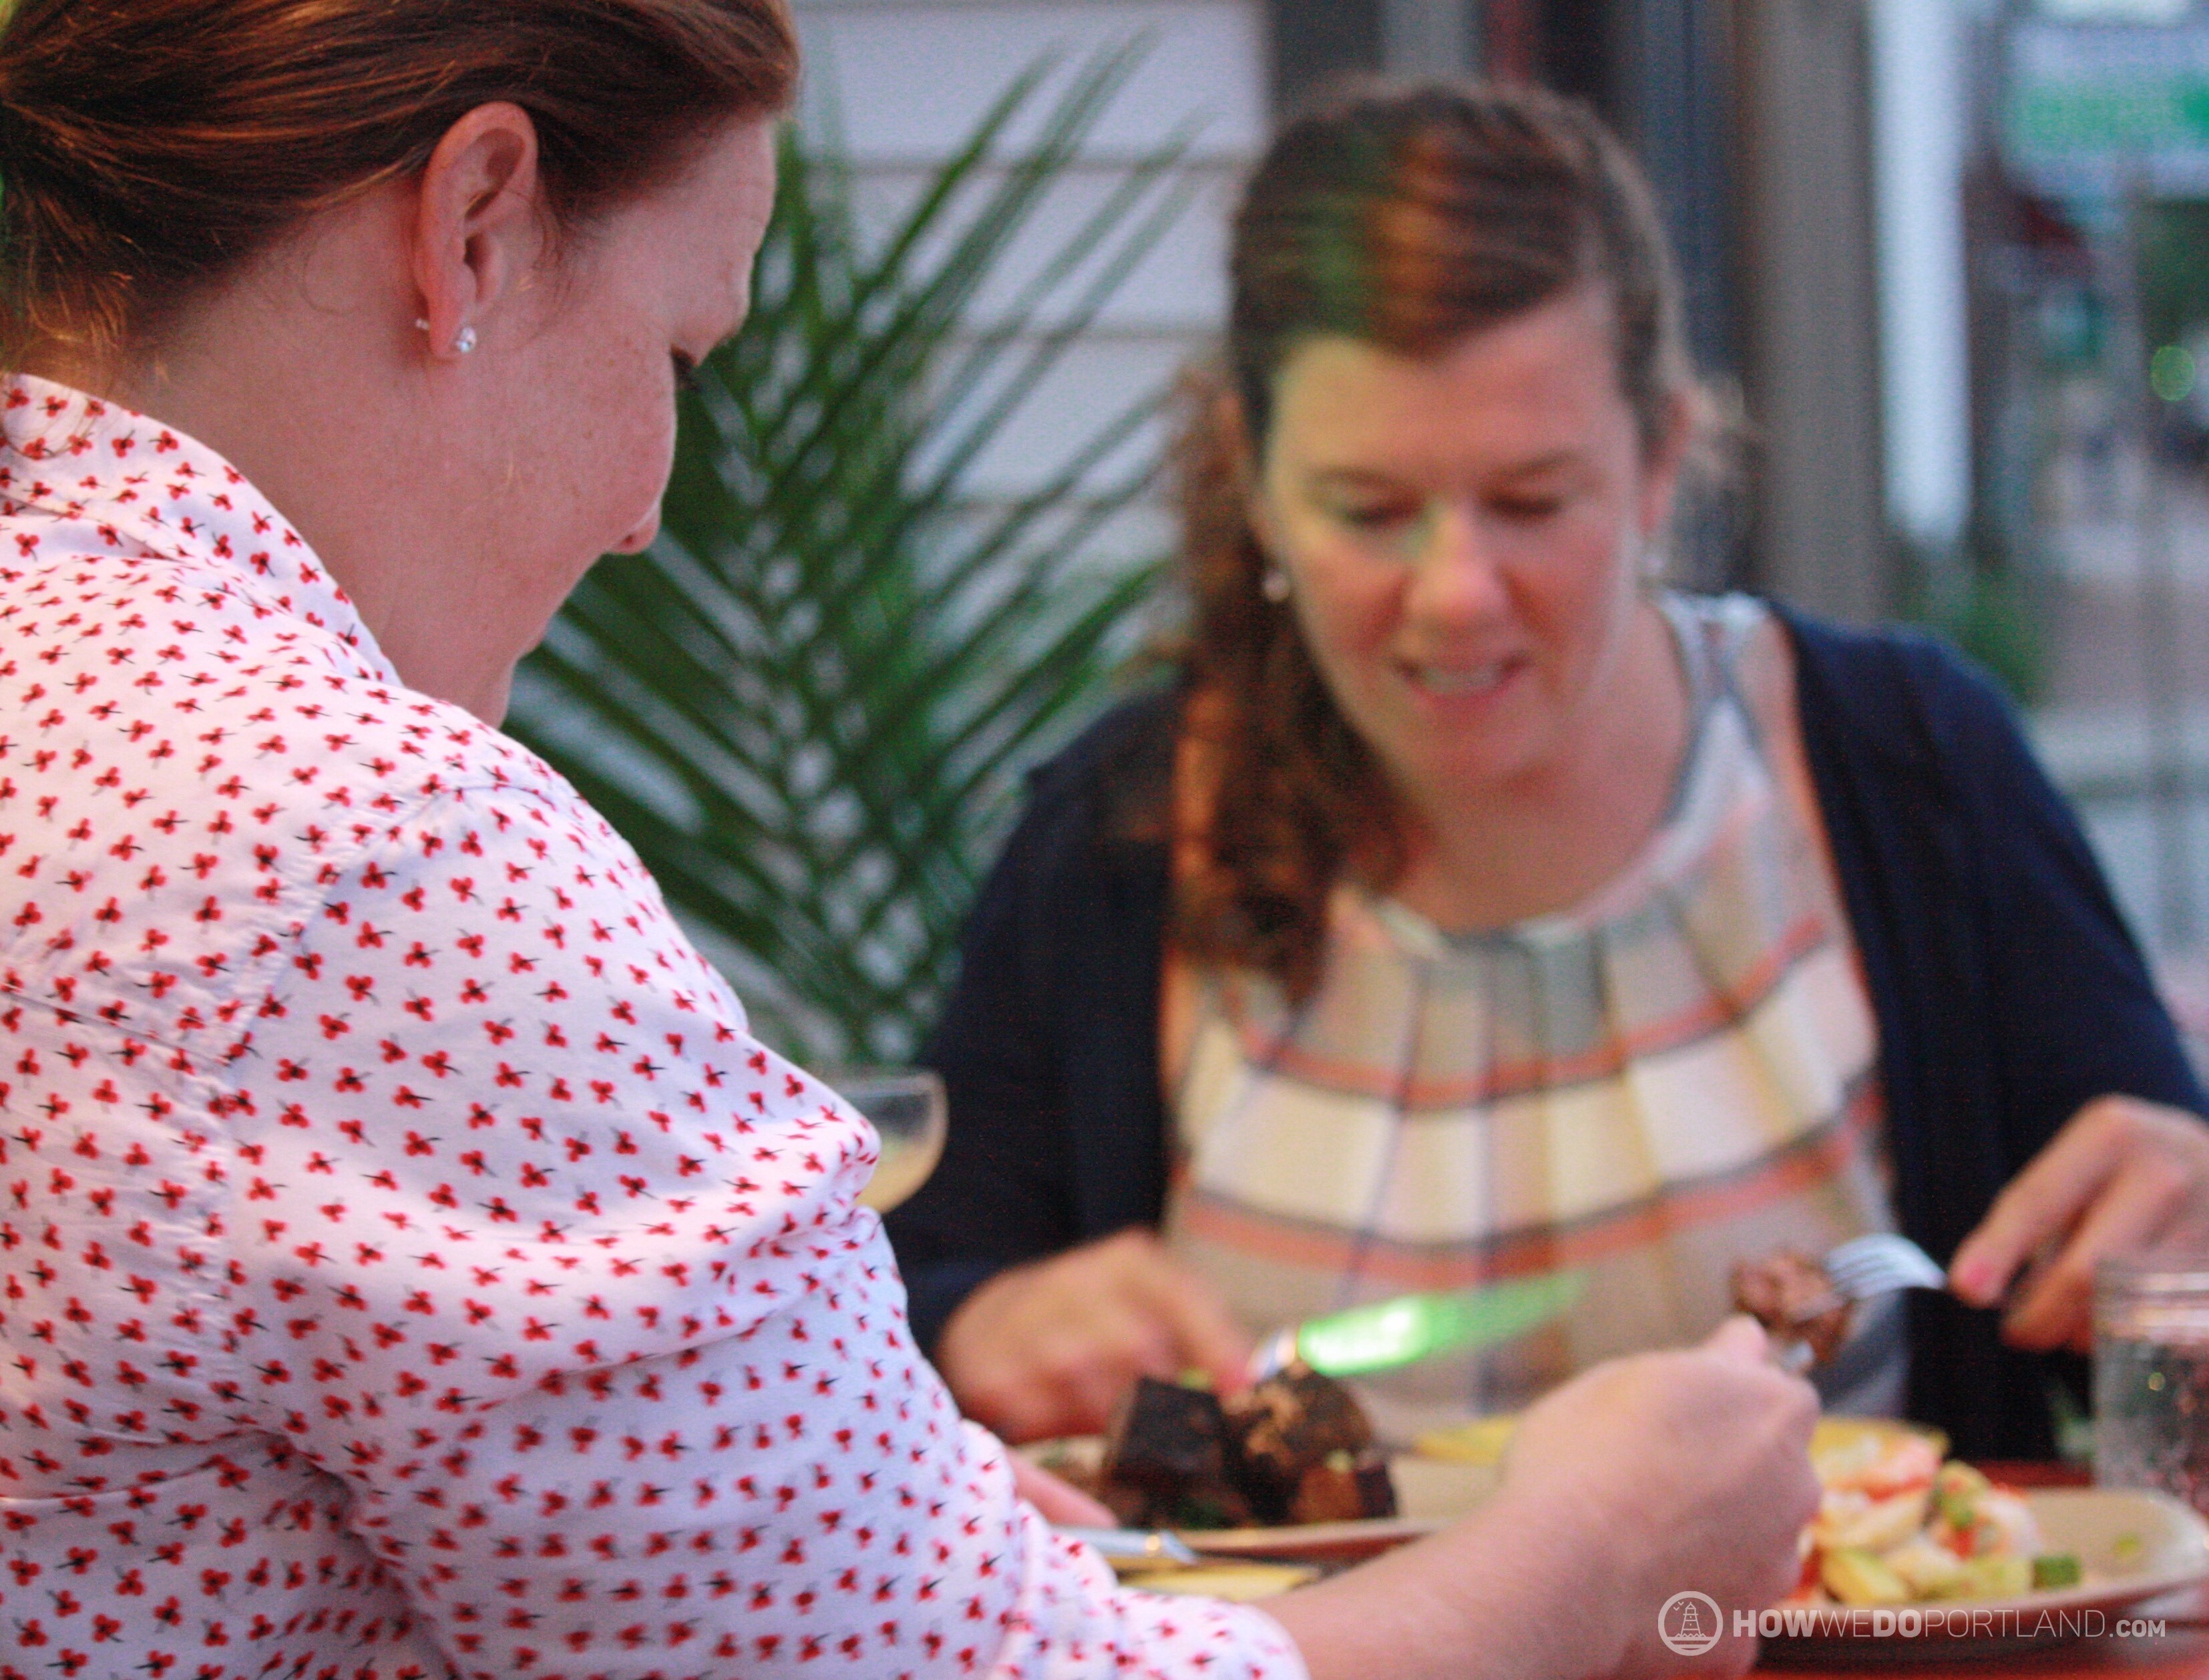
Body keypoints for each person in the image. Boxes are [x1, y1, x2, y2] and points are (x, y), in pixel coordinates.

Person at [0, 7, 1820, 1678]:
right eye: (682, 351)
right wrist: (1602, 1545)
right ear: (473, 219)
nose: (647, 508)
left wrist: (868, 1522)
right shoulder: (359, 852)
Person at [887, 81, 2209, 1459]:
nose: (1455, 592)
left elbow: (2150, 1284)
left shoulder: (1905, 763)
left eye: (1530, 502)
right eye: (1370, 508)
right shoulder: (1124, 833)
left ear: (1660, 464)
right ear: (1255, 478)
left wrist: (2181, 1217)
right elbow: (905, 1316)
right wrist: (984, 1325)